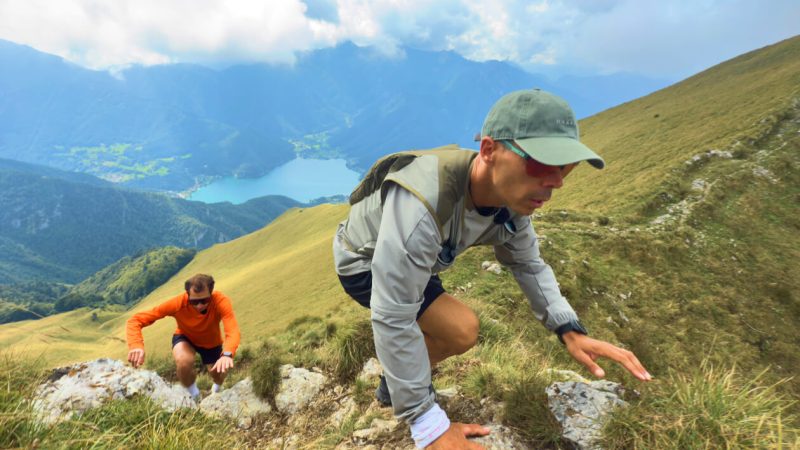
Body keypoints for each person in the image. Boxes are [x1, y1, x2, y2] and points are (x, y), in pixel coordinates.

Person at [333, 89, 652, 449]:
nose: (555, 183)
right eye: (542, 164)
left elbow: (528, 263)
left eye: (566, 168)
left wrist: (569, 329)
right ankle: (401, 387)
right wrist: (428, 425)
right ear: (488, 150)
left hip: (418, 260)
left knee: (456, 328)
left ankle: (396, 381)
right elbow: (393, 313)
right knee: (461, 330)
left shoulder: (510, 203)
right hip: (364, 262)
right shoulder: (422, 204)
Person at [126, 273, 241, 401]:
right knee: (183, 361)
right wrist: (136, 344)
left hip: (211, 343)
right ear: (187, 295)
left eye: (204, 301)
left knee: (218, 374)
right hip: (185, 337)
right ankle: (195, 395)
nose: (199, 305)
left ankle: (216, 389)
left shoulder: (220, 301)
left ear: (211, 293)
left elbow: (232, 330)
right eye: (194, 302)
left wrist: (227, 354)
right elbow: (135, 320)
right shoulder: (178, 303)